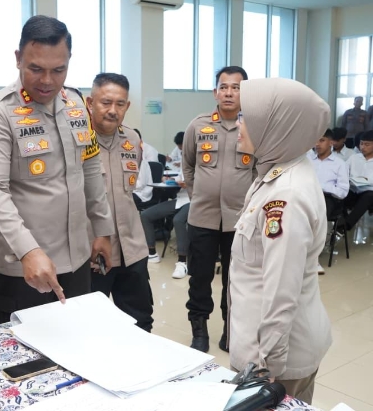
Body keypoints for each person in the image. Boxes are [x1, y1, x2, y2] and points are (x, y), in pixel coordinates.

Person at [0, 15, 114, 324]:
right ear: (18, 58)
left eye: (58, 70)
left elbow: (91, 167)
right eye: (36, 69)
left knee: (76, 341)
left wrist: (102, 230)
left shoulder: (76, 104)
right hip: (24, 266)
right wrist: (28, 251)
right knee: (23, 351)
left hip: (77, 258)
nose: (47, 80)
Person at [230, 77, 332, 404]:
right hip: (270, 348)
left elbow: (281, 292)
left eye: (248, 118)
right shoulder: (277, 172)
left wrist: (266, 369)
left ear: (278, 127)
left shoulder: (286, 194)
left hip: (277, 362)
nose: (239, 125)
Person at [182, 65, 255, 353]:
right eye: (224, 87)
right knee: (199, 278)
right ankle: (199, 330)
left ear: (245, 93)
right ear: (215, 92)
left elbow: (260, 171)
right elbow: (188, 165)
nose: (229, 93)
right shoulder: (198, 125)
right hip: (202, 218)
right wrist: (198, 194)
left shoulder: (254, 127)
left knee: (234, 280)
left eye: (236, 88)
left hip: (240, 220)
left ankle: (230, 330)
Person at [86, 73, 154, 332]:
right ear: (90, 103)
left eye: (120, 104)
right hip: (92, 252)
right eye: (106, 102)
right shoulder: (76, 141)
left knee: (140, 321)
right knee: (93, 326)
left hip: (132, 249)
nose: (113, 110)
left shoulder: (132, 139)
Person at [308, 129, 349, 274]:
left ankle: (313, 260)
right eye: (315, 140)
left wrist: (322, 187)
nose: (317, 144)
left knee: (317, 215)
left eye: (322, 140)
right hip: (307, 195)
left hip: (329, 199)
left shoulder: (339, 164)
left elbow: (343, 191)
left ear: (331, 142)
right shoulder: (308, 161)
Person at [140, 170, 190, 279]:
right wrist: (171, 180)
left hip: (195, 200)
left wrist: (189, 184)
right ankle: (152, 254)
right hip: (180, 199)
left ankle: (182, 262)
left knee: (178, 220)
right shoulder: (185, 164)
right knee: (145, 215)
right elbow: (180, 178)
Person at [341, 130, 373, 232]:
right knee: (339, 194)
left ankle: (346, 226)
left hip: (369, 194)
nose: (363, 147)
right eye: (361, 144)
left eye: (367, 144)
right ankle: (342, 221)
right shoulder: (354, 158)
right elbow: (343, 172)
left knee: (368, 196)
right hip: (354, 190)